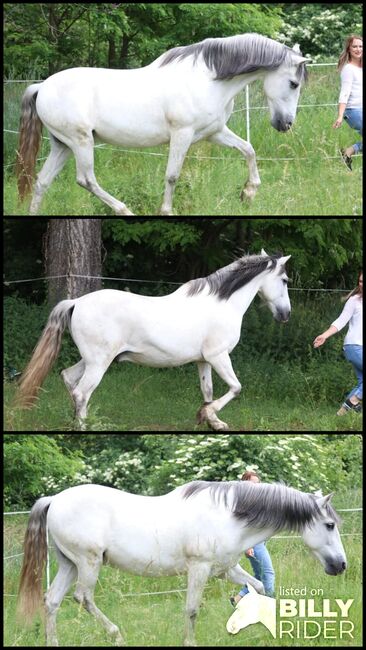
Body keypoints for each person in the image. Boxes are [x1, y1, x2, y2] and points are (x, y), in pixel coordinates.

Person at [313, 271, 363, 415]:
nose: (361, 284)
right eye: (360, 281)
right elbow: (341, 321)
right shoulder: (354, 301)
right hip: (354, 346)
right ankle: (353, 401)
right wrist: (324, 335)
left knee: (362, 384)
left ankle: (341, 415)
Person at [230, 470, 275, 607]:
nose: (256, 487)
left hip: (259, 541)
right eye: (252, 484)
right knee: (268, 573)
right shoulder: (244, 502)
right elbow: (242, 526)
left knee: (258, 575)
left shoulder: (254, 500)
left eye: (258, 484)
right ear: (245, 484)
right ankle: (269, 603)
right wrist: (247, 545)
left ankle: (237, 599)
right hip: (253, 543)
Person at [332, 35, 362, 171]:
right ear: (349, 49)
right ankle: (348, 152)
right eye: (354, 46)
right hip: (353, 111)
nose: (358, 49)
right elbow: (344, 93)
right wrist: (340, 115)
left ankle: (348, 152)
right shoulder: (348, 69)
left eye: (360, 46)